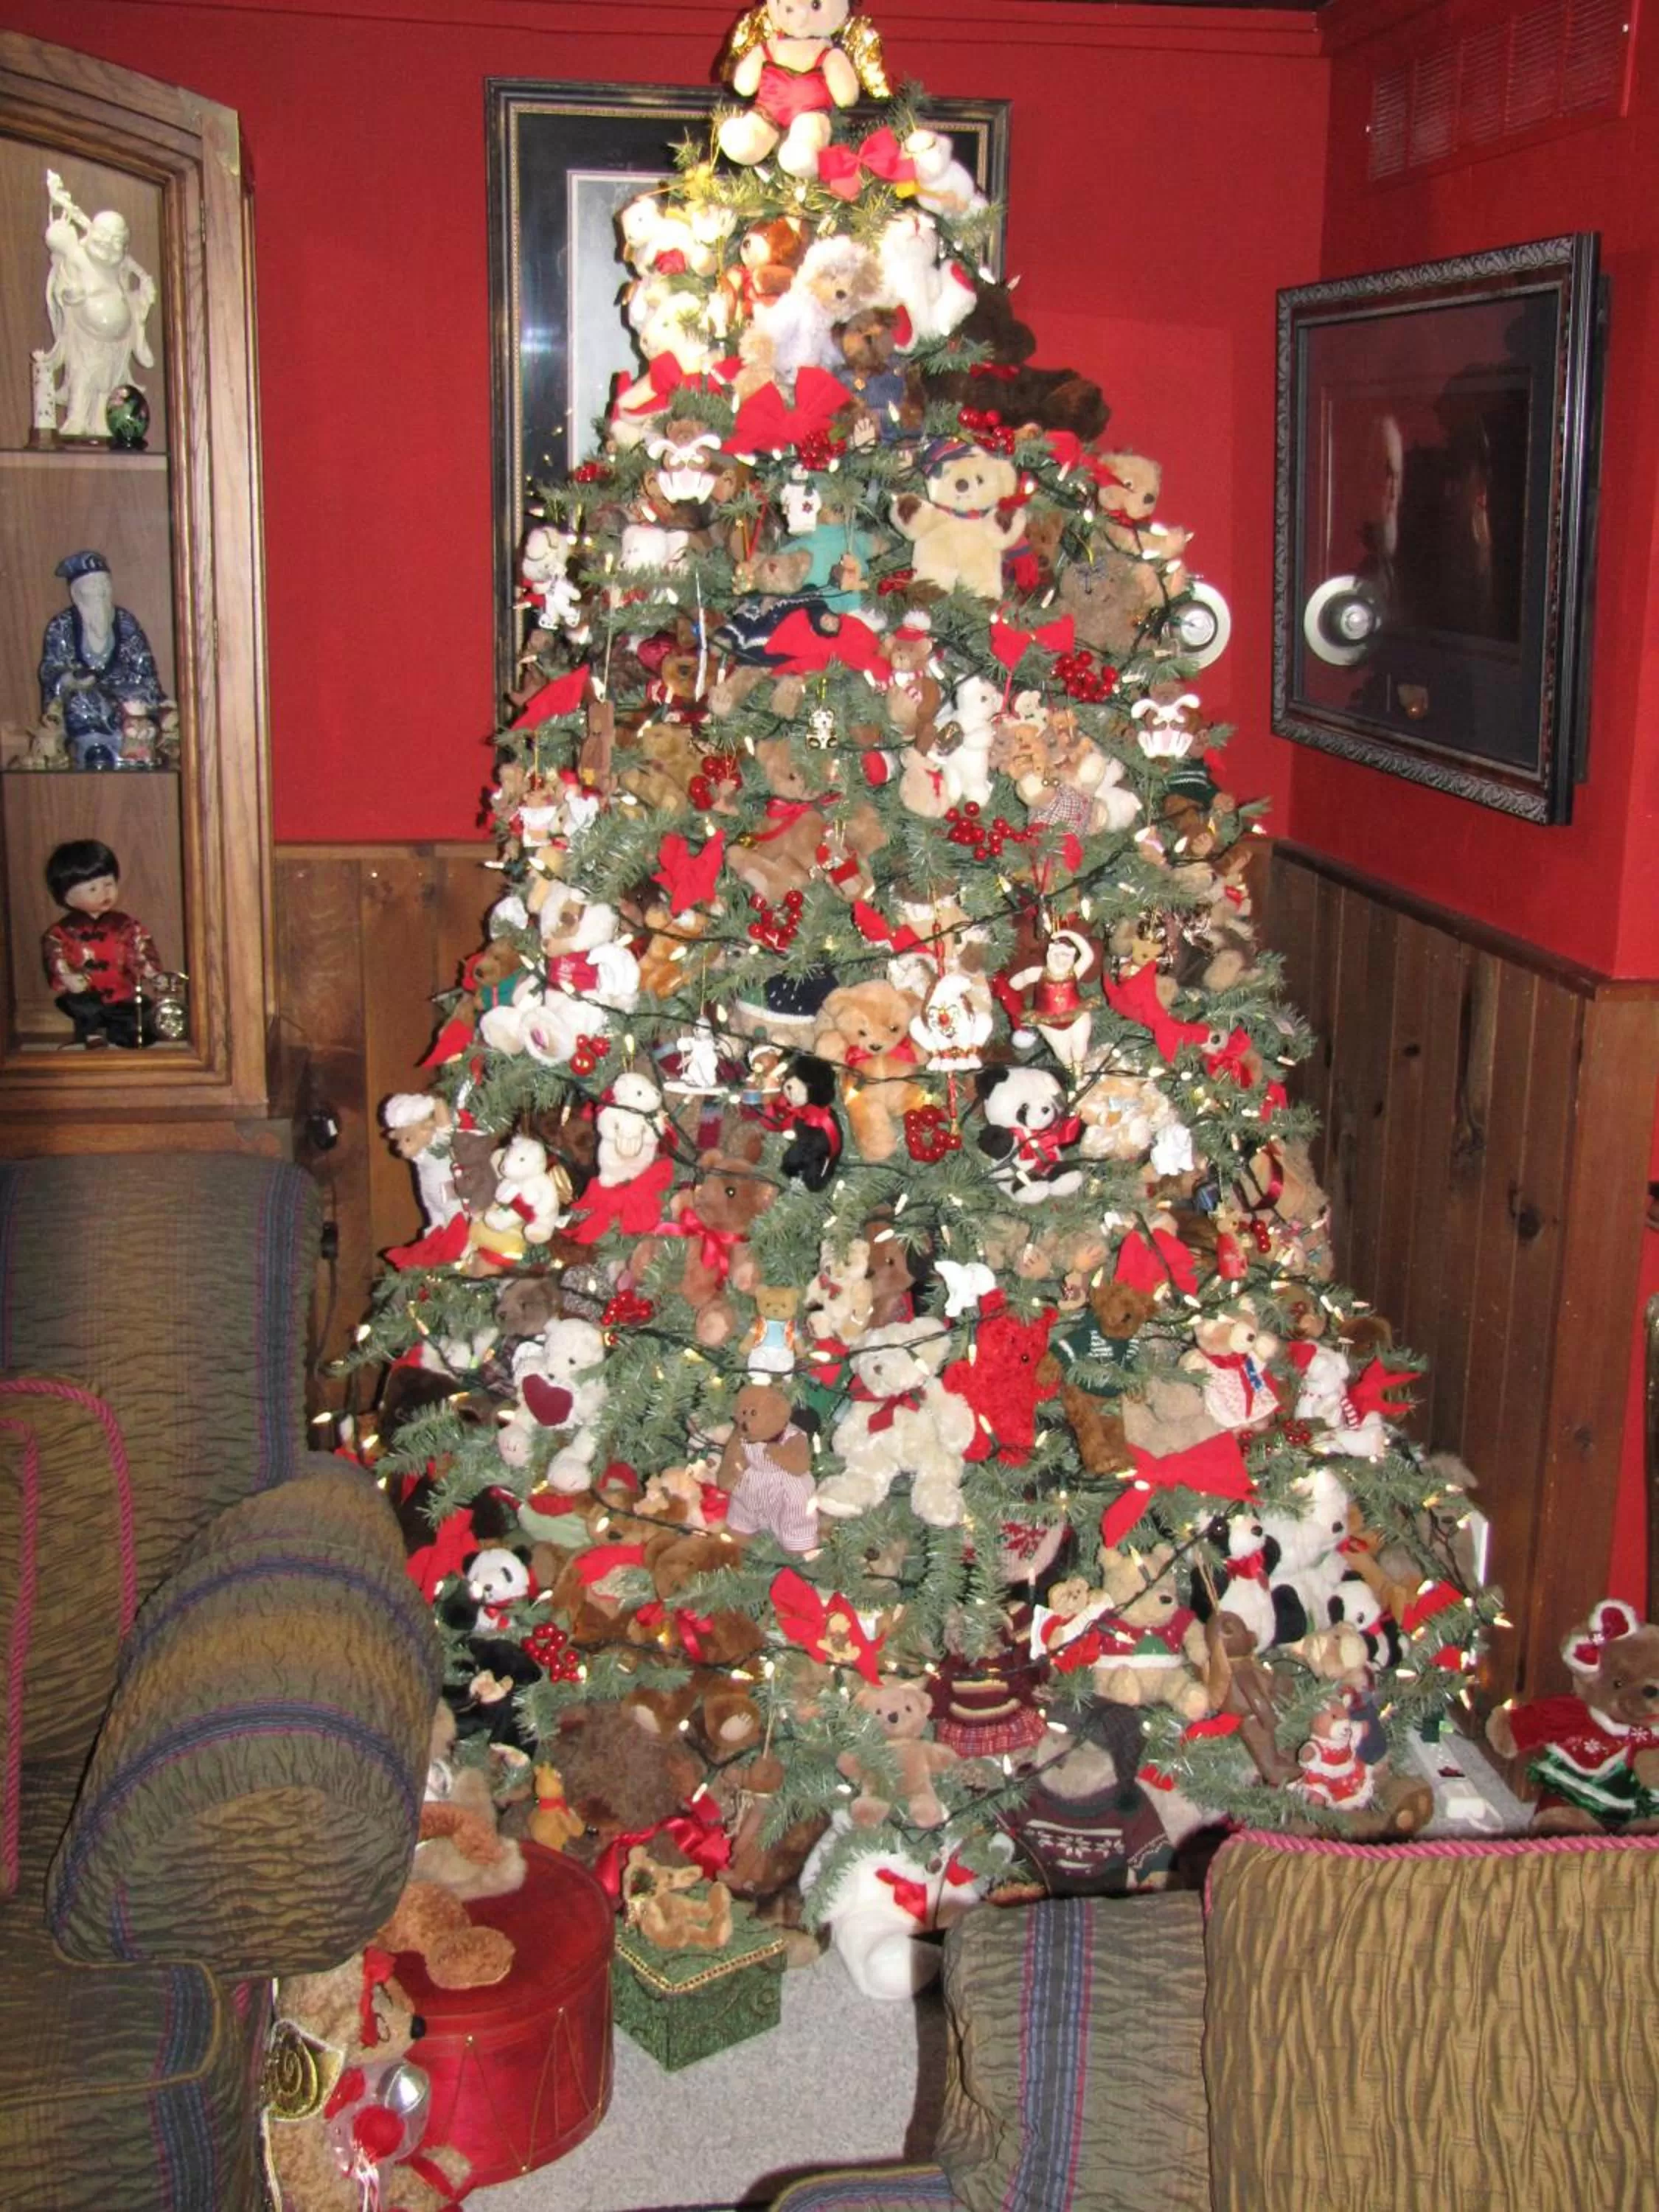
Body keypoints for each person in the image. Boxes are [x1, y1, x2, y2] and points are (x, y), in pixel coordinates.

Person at [34, 171, 156, 440]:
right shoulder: (78, 257)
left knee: (108, 385)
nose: (109, 246)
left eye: (117, 241)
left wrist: (141, 300)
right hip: (85, 337)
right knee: (84, 378)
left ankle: (101, 422)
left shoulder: (120, 268)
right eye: (105, 237)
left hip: (116, 342)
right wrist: (72, 294)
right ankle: (77, 418)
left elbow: (126, 296)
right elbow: (63, 287)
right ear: (92, 235)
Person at [38, 551, 162, 768]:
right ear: (77, 596)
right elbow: (50, 670)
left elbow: (144, 668)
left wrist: (134, 692)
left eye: (104, 590)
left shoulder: (126, 623)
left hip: (124, 699)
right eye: (92, 592)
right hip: (84, 697)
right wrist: (71, 679)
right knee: (80, 702)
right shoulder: (62, 626)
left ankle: (131, 746)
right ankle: (93, 746)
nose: (100, 597)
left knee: (139, 706)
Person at [41, 840, 162, 1048]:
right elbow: (55, 957)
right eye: (93, 888)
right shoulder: (61, 932)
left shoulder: (126, 925)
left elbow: (141, 947)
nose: (104, 893)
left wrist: (151, 972)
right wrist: (66, 977)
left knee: (139, 1027)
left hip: (122, 994)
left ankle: (121, 1034)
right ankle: (91, 1035)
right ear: (67, 897)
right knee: (86, 1011)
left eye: (109, 884)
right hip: (86, 997)